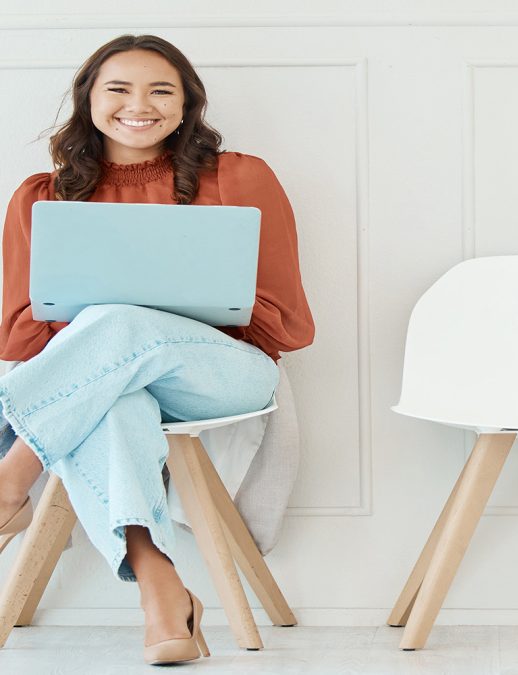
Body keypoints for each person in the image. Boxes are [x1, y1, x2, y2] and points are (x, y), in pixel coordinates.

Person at [0, 34, 315, 665]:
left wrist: (176, 299)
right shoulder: (42, 196)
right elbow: (16, 334)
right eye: (117, 89)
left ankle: (9, 482)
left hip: (228, 371)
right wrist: (104, 320)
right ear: (88, 99)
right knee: (117, 403)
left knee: (126, 318)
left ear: (187, 104)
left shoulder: (239, 177)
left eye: (160, 90)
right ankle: (162, 595)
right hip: (102, 382)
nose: (138, 105)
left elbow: (287, 323)